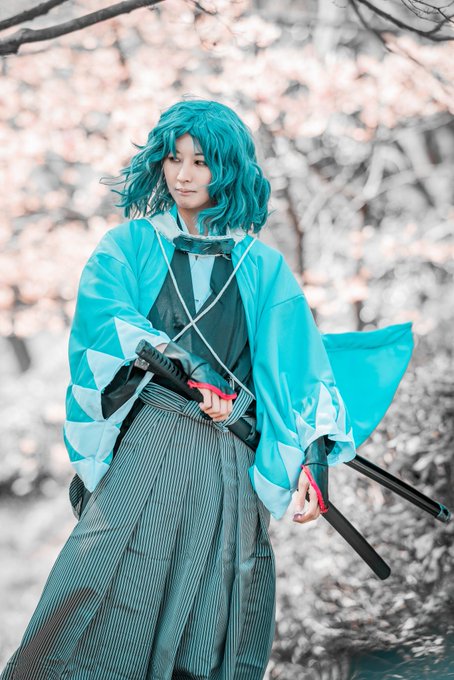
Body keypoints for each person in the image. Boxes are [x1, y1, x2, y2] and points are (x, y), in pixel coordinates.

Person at [1, 98, 364, 680]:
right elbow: (105, 324)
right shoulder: (128, 246)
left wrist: (313, 464)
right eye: (174, 159)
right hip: (150, 447)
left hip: (229, 464)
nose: (185, 175)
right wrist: (184, 368)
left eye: (201, 161)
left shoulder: (263, 266)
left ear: (229, 169)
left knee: (214, 619)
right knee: (96, 588)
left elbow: (300, 370)